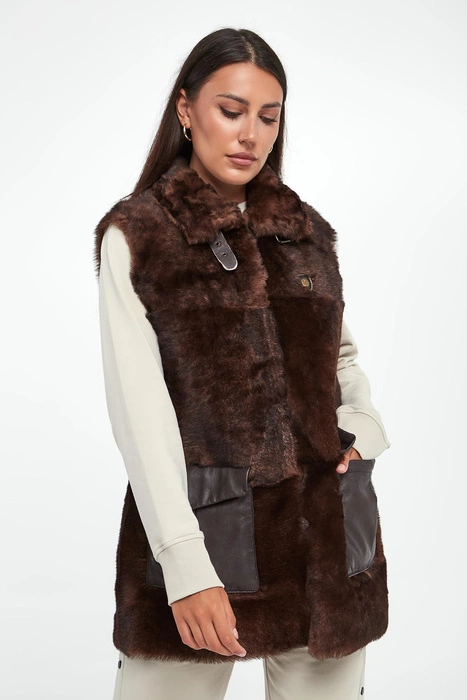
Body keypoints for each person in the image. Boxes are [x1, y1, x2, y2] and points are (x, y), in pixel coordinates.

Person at [94, 27, 391, 700]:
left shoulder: (303, 230)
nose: (249, 135)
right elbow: (139, 413)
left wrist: (363, 427)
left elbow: (339, 354)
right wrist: (183, 563)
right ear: (185, 109)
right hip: (204, 531)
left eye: (268, 116)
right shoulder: (139, 236)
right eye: (231, 111)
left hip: (326, 535)